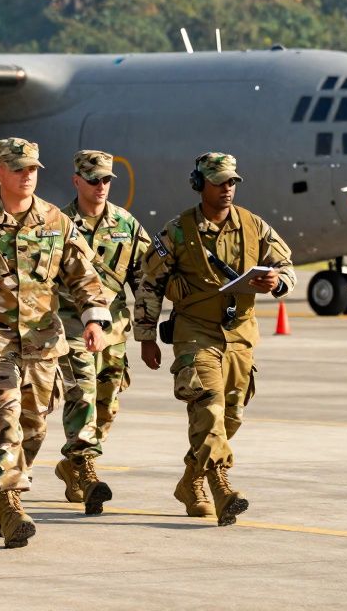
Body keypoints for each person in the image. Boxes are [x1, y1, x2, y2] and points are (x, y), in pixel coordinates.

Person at [0, 137, 111, 548]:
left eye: (33, 169)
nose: (28, 176)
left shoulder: (56, 222)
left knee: (33, 427)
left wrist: (93, 319)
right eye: (19, 169)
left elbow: (83, 276)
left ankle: (9, 489)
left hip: (41, 343)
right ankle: (9, 502)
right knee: (3, 418)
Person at [133, 152, 295, 526]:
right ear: (199, 184)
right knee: (208, 407)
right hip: (195, 333)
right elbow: (150, 283)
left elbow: (285, 264)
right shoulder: (177, 231)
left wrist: (277, 281)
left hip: (240, 334)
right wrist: (146, 336)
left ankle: (190, 482)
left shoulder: (254, 226)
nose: (227, 188)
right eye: (219, 181)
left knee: (231, 416)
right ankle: (222, 489)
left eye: (232, 182)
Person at [53, 150, 151, 515]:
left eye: (107, 179)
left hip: (114, 331)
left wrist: (146, 333)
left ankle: (72, 466)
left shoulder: (126, 224)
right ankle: (88, 468)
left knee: (107, 405)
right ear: (77, 180)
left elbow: (143, 280)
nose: (101, 186)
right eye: (93, 179)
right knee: (83, 394)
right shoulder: (58, 223)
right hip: (71, 328)